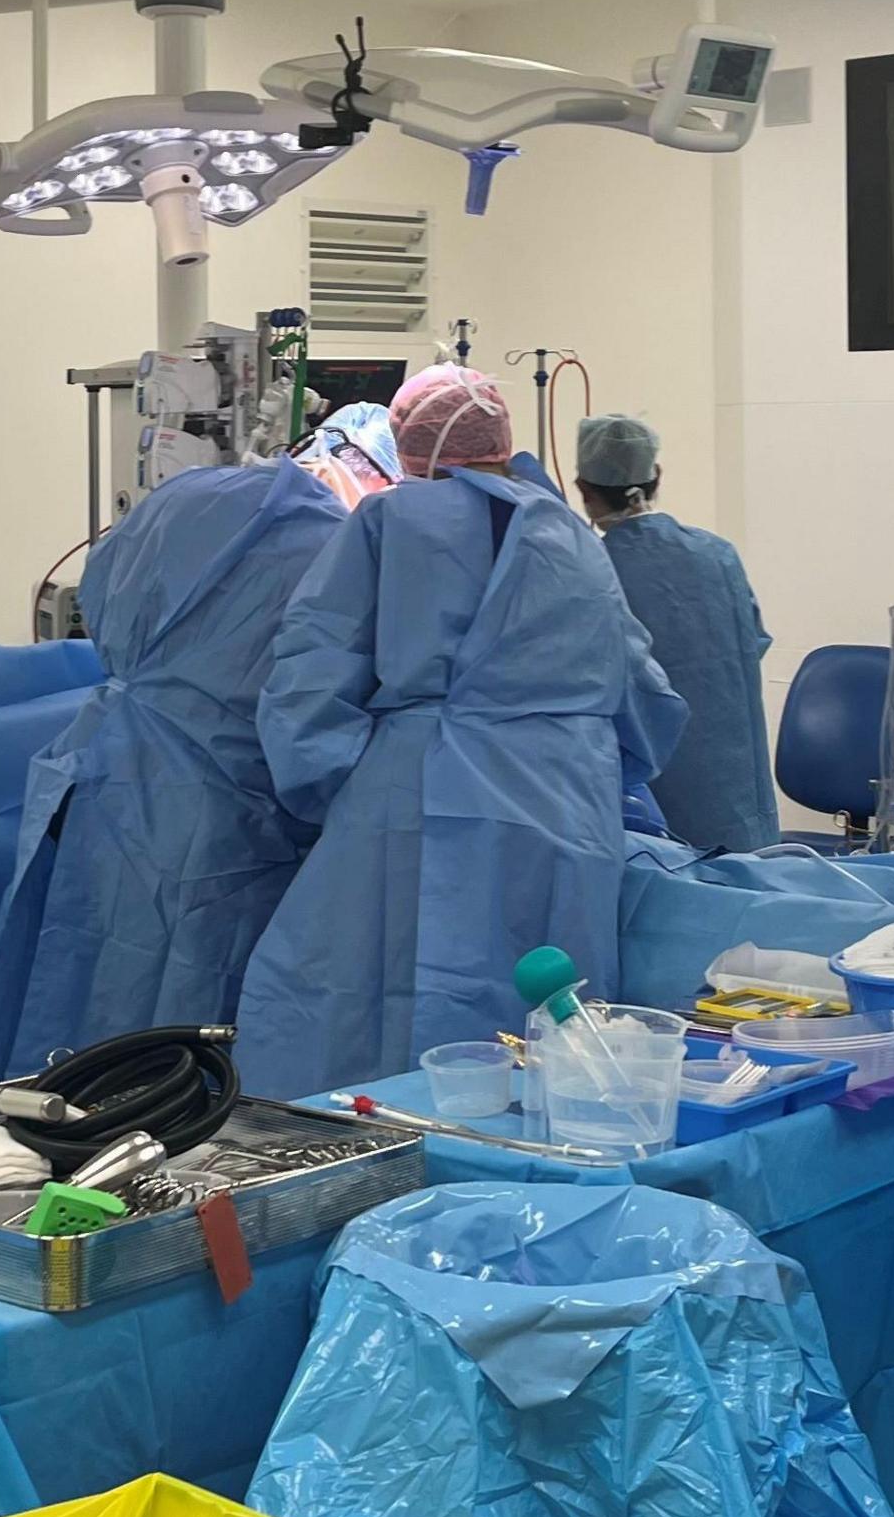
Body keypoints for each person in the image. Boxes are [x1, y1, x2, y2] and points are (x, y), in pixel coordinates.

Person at [239, 367, 687, 1100]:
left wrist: (343, 789)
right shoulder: (572, 537)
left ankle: (367, 1179)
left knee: (360, 1020)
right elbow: (644, 697)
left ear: (409, 446)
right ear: (502, 444)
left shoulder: (390, 523)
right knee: (547, 1035)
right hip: (560, 808)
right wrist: (593, 775)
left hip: (411, 797)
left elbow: (309, 676)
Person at [0, 460, 347, 1081]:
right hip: (229, 821)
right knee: (180, 1040)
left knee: (82, 1005)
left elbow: (100, 601)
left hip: (108, 782)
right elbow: (315, 694)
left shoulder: (184, 511)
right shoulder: (322, 547)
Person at [573, 412, 778, 853]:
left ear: (584, 491)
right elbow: (752, 644)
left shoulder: (590, 570)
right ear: (656, 475)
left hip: (649, 798)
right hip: (733, 794)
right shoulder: (717, 555)